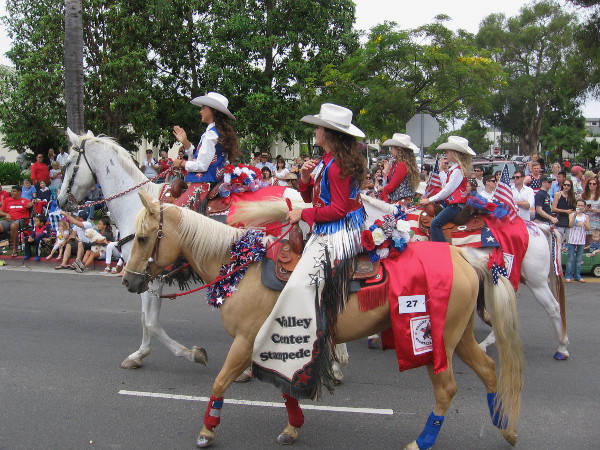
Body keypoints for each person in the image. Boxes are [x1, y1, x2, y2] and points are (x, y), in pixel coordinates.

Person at [255, 103, 366, 385]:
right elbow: (318, 197)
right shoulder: (327, 161)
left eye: (318, 127)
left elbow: (338, 209)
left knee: (304, 282)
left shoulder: (336, 164)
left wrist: (302, 213)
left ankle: (323, 345)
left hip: (340, 229)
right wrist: (304, 178)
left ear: (328, 133)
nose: (314, 130)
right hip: (328, 224)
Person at [172, 92, 240, 185]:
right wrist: (185, 142)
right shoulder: (215, 132)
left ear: (213, 111)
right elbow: (200, 157)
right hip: (216, 180)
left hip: (206, 181)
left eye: (204, 108)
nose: (200, 111)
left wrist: (181, 163)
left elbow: (201, 165)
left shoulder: (211, 134)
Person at [419, 136, 475, 242]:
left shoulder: (457, 171)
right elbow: (447, 186)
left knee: (435, 224)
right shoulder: (456, 169)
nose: (446, 154)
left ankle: (441, 249)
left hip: (455, 207)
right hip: (453, 205)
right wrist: (441, 171)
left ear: (454, 153)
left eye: (448, 152)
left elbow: (446, 191)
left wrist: (429, 200)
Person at [379, 133, 419, 205]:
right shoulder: (400, 164)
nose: (391, 151)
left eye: (392, 148)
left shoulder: (402, 165)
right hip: (402, 200)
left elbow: (391, 187)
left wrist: (381, 190)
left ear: (398, 150)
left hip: (401, 202)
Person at [0, 185, 34, 256]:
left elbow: (34, 213)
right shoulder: (7, 200)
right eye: (11, 191)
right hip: (9, 220)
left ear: (19, 192)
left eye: (14, 191)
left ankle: (14, 249)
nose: (12, 193)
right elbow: (1, 211)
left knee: (13, 225)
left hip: (21, 221)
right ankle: (2, 246)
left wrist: (32, 205)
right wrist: (6, 214)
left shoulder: (25, 201)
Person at [564, 199, 590, 283]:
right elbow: (570, 225)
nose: (580, 207)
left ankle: (578, 276)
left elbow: (588, 228)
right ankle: (568, 276)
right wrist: (575, 216)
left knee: (579, 259)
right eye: (579, 205)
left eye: (582, 205)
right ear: (576, 205)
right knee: (570, 259)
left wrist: (584, 223)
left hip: (581, 240)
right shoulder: (571, 214)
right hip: (572, 239)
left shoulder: (586, 216)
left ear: (584, 207)